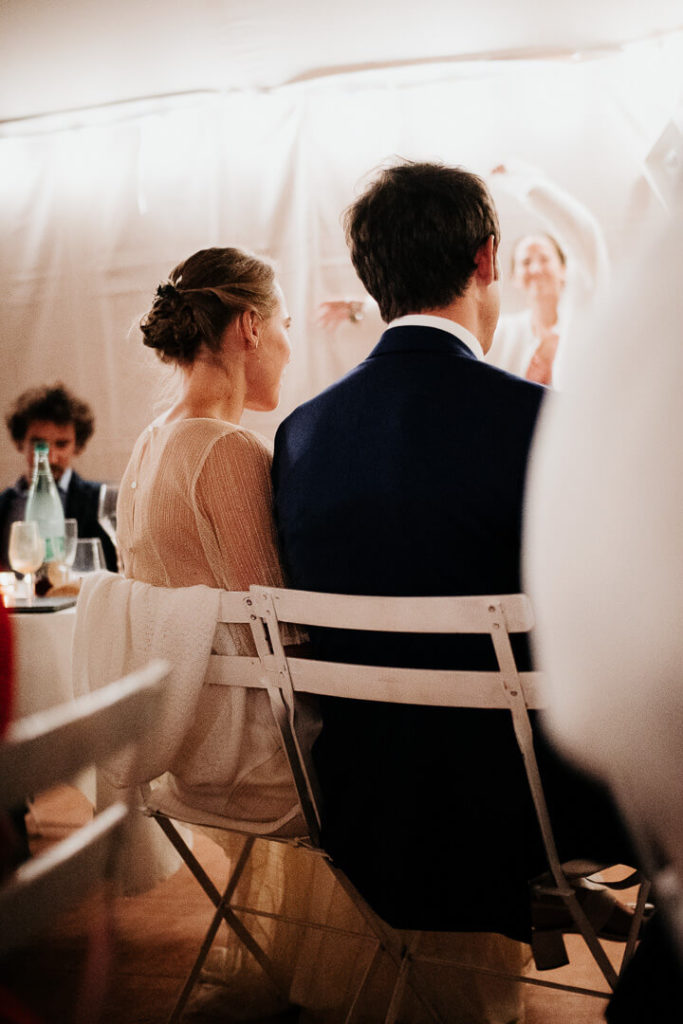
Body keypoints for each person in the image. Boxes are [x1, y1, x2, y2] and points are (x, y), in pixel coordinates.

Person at [273, 159, 636, 951]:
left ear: (373, 280)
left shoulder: (299, 436)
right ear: (486, 259)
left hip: (365, 807)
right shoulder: (540, 420)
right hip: (530, 803)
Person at [317, 162, 608, 388]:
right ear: (511, 276)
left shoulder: (585, 316)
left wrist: (528, 183)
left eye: (544, 258)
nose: (535, 268)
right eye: (526, 262)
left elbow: (586, 238)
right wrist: (361, 309)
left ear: (564, 270)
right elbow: (441, 317)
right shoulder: (503, 333)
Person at [0, 383, 117, 573]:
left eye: (61, 444)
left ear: (77, 445)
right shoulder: (4, 506)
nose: (50, 457)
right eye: (39, 444)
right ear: (20, 442)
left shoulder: (99, 503)